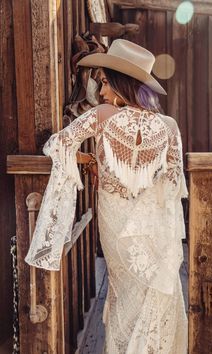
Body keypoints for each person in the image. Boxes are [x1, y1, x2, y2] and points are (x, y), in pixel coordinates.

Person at [25, 39, 188, 353]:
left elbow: (58, 145)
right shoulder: (168, 126)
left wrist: (86, 162)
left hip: (115, 224)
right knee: (154, 292)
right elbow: (172, 188)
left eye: (103, 82)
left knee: (125, 290)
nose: (101, 92)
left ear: (119, 83)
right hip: (155, 227)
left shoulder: (102, 114)